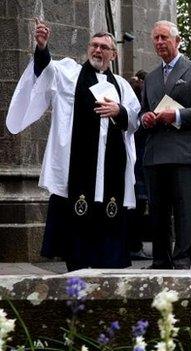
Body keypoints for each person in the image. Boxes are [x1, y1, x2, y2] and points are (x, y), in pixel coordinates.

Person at [6, 20, 141, 271]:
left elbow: (134, 120)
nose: (98, 51)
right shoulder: (69, 74)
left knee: (108, 229)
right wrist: (42, 47)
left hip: (109, 171)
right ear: (88, 49)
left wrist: (119, 111)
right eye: (94, 45)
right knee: (77, 234)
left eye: (104, 47)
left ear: (113, 54)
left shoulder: (122, 86)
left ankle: (106, 274)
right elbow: (45, 70)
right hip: (76, 170)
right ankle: (76, 271)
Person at [140, 20, 191, 269]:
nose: (160, 42)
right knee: (158, 211)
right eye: (156, 38)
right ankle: (160, 259)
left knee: (184, 210)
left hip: (185, 153)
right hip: (155, 153)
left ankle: (182, 259)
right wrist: (145, 118)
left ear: (177, 41)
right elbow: (143, 111)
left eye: (164, 37)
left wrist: (176, 116)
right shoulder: (151, 77)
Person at [127, 70, 152, 261]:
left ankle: (131, 244)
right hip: (141, 166)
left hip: (132, 165)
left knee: (131, 206)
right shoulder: (140, 114)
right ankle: (134, 245)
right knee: (137, 206)